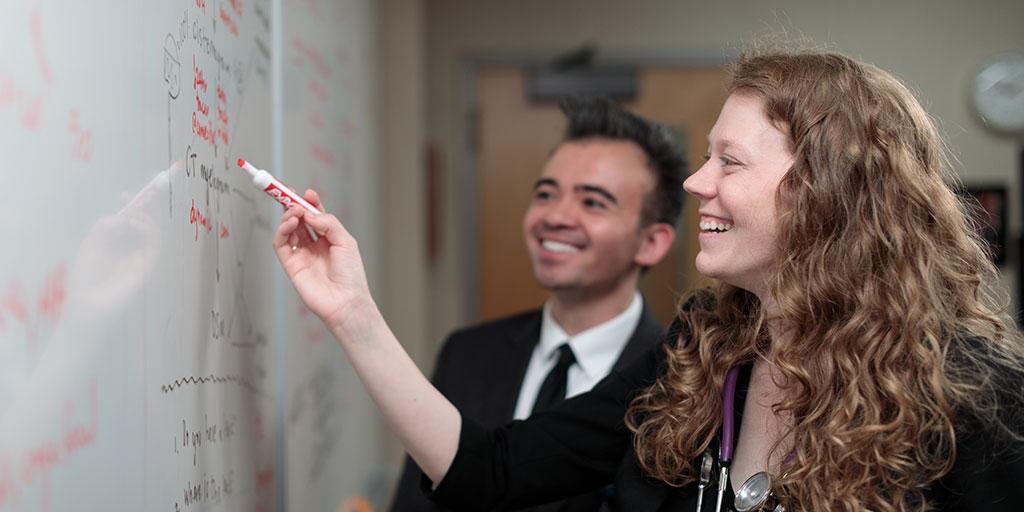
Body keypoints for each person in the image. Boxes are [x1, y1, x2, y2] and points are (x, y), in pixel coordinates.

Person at [273, 49, 1024, 511]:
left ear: (828, 189)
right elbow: (492, 473)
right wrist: (352, 312)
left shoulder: (969, 395)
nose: (698, 182)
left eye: (730, 162)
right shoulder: (704, 350)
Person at [389, 97, 685, 512]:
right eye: (546, 194)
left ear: (651, 242)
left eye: (593, 202)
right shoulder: (468, 353)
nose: (556, 216)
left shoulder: (680, 383)